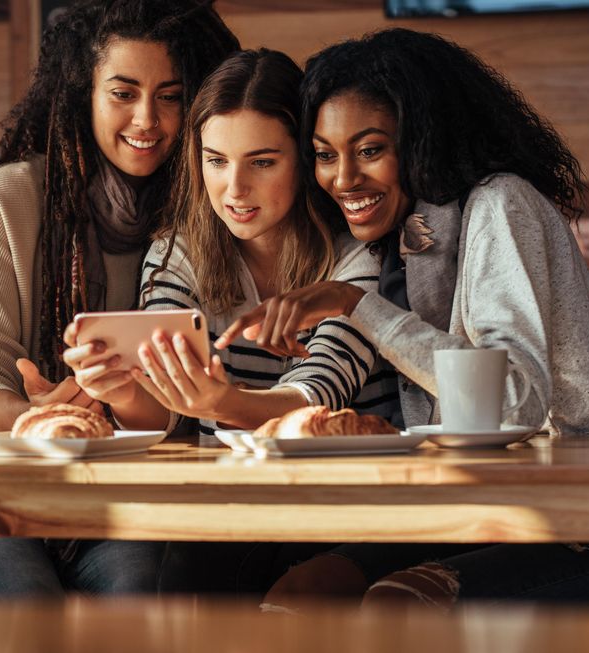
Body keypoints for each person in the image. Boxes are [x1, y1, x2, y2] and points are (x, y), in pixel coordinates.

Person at [217, 29, 589, 611]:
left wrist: (356, 305)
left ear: (421, 140)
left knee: (403, 603)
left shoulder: (501, 204)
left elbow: (512, 401)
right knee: (306, 588)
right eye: (326, 155)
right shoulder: (400, 238)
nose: (343, 178)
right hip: (482, 516)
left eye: (369, 149)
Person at [0, 0, 240, 605]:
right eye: (123, 92)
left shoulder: (212, 212)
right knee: (24, 612)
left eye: (171, 95)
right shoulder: (8, 200)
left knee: (140, 599)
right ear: (82, 94)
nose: (147, 118)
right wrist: (39, 420)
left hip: (129, 501)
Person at [63, 48, 393, 594]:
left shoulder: (358, 255)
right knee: (184, 578)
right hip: (240, 509)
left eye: (262, 162)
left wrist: (222, 403)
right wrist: (116, 387)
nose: (234, 189)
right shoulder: (178, 252)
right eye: (216, 160)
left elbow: (319, 393)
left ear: (306, 161)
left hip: (354, 503)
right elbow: (162, 407)